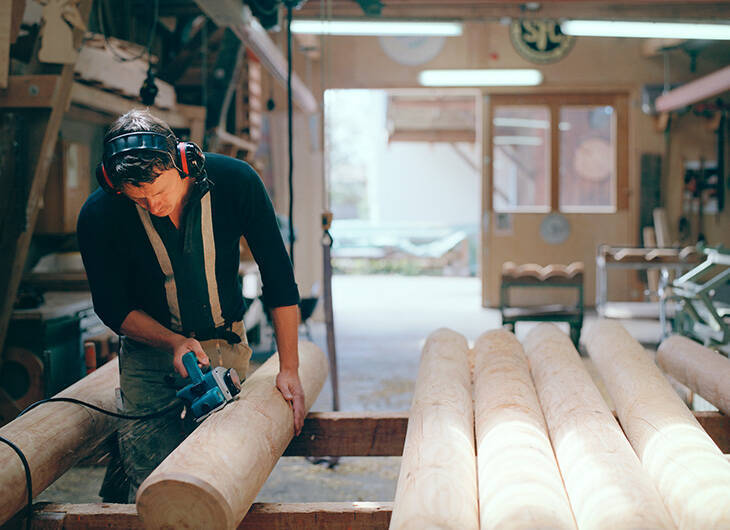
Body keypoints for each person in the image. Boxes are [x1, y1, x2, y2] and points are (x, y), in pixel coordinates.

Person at [77, 109, 304, 500]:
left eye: (160, 192)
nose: (153, 204)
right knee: (150, 480)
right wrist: (174, 342)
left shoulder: (235, 182)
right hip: (149, 360)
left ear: (184, 162)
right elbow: (112, 307)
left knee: (225, 474)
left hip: (225, 346)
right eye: (140, 199)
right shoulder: (100, 214)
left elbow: (279, 279)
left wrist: (290, 368)